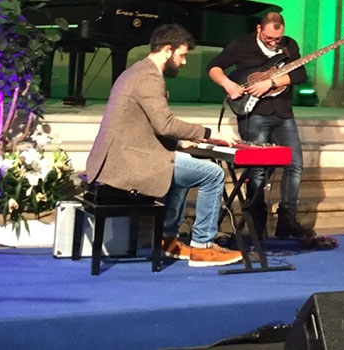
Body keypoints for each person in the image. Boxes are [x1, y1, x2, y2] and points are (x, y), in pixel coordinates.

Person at [85, 23, 242, 267]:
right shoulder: (148, 77)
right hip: (127, 162)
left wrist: (179, 142)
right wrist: (209, 134)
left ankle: (168, 239)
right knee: (213, 174)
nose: (184, 62)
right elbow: (164, 125)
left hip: (124, 155)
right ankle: (203, 247)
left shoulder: (136, 71)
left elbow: (143, 125)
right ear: (168, 50)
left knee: (184, 169)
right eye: (182, 55)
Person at [208, 11, 330, 247]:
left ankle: (287, 220)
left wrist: (272, 82)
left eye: (277, 38)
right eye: (269, 38)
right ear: (259, 29)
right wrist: (228, 84)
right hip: (254, 114)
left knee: (295, 165)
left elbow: (300, 74)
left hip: (283, 113)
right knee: (257, 171)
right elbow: (214, 67)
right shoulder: (242, 45)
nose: (274, 43)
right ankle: (256, 224)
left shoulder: (289, 45)